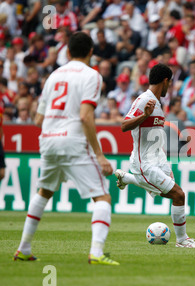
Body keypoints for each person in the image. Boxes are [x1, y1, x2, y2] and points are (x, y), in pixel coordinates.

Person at [13, 32, 119, 265]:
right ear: (91, 52)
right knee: (102, 197)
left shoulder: (53, 76)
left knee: (44, 191)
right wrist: (99, 155)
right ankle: (97, 252)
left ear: (68, 52)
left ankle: (24, 248)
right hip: (72, 141)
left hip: (48, 139)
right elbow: (85, 116)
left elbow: (38, 119)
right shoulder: (91, 75)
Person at [114, 63, 195, 248]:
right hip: (145, 163)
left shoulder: (157, 102)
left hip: (157, 159)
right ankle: (182, 240)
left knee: (170, 194)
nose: (169, 87)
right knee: (178, 194)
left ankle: (127, 178)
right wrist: (144, 115)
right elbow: (124, 125)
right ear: (165, 81)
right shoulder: (143, 100)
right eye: (170, 83)